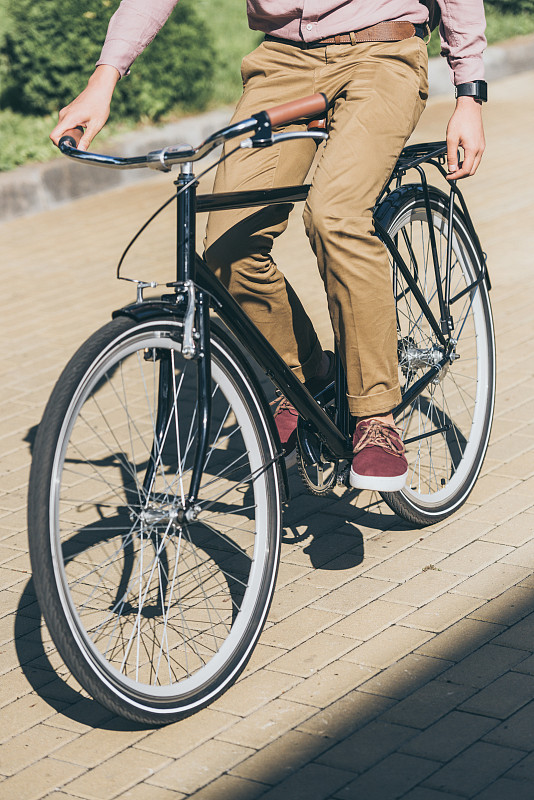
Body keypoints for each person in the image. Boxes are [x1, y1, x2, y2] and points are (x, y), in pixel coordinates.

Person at [50, 0, 487, 492]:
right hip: (283, 61)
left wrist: (469, 94)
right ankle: (309, 379)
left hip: (382, 52)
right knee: (224, 250)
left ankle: (375, 415)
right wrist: (103, 80)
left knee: (334, 216)